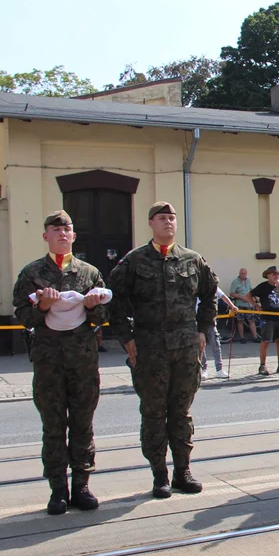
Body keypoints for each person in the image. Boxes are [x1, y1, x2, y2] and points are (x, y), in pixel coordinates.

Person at [109, 202, 217, 498]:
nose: (168, 222)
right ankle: (160, 475)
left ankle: (183, 471)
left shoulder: (193, 260)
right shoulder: (134, 261)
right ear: (151, 224)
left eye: (172, 218)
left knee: (181, 412)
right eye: (162, 218)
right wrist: (126, 338)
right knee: (154, 412)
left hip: (185, 348)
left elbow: (210, 295)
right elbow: (114, 301)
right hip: (149, 348)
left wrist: (202, 330)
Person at [13, 210, 110, 515]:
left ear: (73, 236)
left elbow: (102, 318)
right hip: (48, 360)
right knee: (53, 426)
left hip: (82, 360)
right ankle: (58, 490)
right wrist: (42, 305)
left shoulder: (89, 273)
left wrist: (94, 307)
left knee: (82, 424)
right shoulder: (32, 273)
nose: (62, 234)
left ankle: (81, 485)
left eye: (67, 229)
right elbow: (22, 315)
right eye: (56, 230)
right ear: (46, 236)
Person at [248, 266, 279, 376]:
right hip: (267, 318)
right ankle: (262, 365)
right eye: (273, 274)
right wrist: (256, 305)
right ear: (268, 275)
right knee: (265, 341)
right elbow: (248, 295)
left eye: (277, 274)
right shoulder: (263, 286)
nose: (276, 276)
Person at [201, 287, 236, 380]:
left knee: (216, 344)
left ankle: (219, 369)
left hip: (210, 319)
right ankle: (203, 369)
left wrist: (232, 306)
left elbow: (223, 296)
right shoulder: (196, 283)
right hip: (198, 319)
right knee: (201, 346)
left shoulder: (211, 284)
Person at [229, 268, 260, 343]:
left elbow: (250, 290)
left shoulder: (248, 281)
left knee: (251, 320)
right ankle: (242, 337)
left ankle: (255, 337)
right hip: (240, 304)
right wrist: (241, 298)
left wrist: (255, 297)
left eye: (245, 273)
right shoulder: (235, 282)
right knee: (240, 321)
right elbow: (232, 293)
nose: (243, 275)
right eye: (242, 273)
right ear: (239, 274)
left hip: (249, 304)